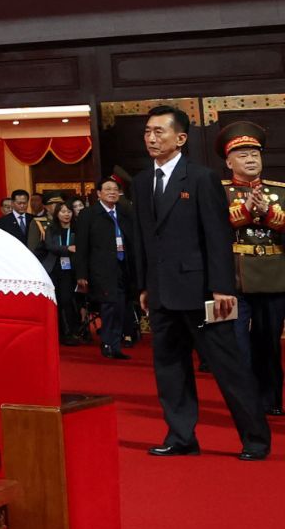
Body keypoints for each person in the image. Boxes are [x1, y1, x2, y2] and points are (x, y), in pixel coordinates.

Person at [132, 104, 269, 461]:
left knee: (229, 369)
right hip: (162, 292)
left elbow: (217, 235)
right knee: (170, 370)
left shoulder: (201, 177)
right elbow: (145, 238)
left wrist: (223, 288)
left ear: (180, 138)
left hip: (202, 291)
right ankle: (181, 437)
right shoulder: (142, 181)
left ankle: (256, 439)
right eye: (147, 131)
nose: (151, 138)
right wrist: (145, 286)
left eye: (159, 131)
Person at [219, 121, 284, 417]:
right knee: (236, 345)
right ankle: (244, 402)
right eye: (243, 155)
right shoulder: (218, 192)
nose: (250, 159)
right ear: (229, 161)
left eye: (255, 154)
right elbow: (213, 229)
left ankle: (270, 399)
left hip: (273, 277)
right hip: (233, 279)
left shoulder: (279, 191)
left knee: (269, 343)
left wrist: (268, 213)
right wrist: (245, 211)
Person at [76, 178, 132, 360]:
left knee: (121, 307)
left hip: (122, 267)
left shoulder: (124, 213)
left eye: (115, 189)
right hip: (101, 269)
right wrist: (81, 274)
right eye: (107, 189)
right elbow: (82, 247)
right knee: (108, 306)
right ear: (99, 193)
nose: (112, 192)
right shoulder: (89, 214)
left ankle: (115, 344)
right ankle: (108, 343)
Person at [42, 200, 85, 345]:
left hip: (71, 269)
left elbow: (82, 247)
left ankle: (71, 332)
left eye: (69, 211)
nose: (66, 214)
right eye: (63, 212)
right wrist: (67, 249)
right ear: (57, 214)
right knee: (57, 302)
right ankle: (59, 332)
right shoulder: (51, 229)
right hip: (54, 269)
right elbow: (50, 246)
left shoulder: (77, 229)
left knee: (68, 300)